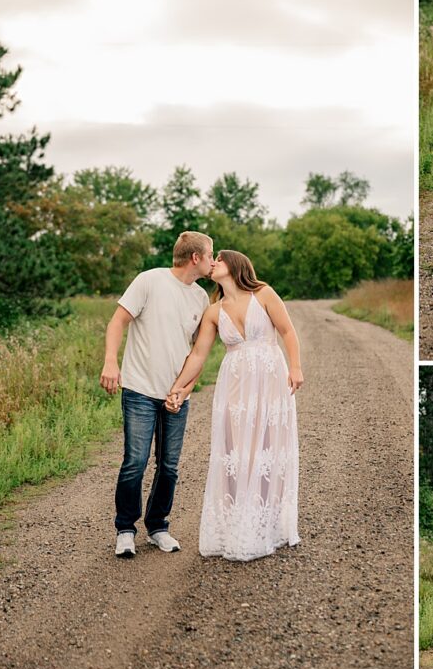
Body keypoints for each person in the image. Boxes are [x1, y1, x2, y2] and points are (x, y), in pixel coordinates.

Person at [166, 249, 303, 561]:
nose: (213, 263)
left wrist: (295, 367)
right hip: (235, 383)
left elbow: (287, 331)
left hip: (269, 378)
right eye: (212, 260)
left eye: (220, 259)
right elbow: (199, 354)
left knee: (266, 449)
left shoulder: (263, 293)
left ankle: (265, 522)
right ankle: (234, 521)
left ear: (236, 266)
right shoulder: (214, 312)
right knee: (234, 449)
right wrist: (178, 388)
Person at [100, 231, 214, 558]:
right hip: (139, 389)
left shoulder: (201, 298)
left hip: (176, 396)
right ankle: (125, 529)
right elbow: (117, 322)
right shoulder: (149, 281)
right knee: (135, 462)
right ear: (196, 257)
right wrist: (110, 361)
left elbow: (198, 354)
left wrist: (184, 389)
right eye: (210, 254)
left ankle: (158, 527)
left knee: (169, 466)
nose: (212, 260)